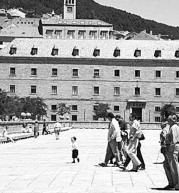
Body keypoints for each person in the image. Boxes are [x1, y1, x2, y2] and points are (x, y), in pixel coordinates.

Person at [162, 115, 179, 190]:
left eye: (169, 119)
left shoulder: (174, 127)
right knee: (167, 165)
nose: (167, 121)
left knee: (173, 166)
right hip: (170, 147)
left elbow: (174, 140)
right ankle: (171, 183)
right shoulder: (172, 127)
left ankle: (176, 184)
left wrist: (170, 149)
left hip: (172, 148)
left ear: (173, 120)